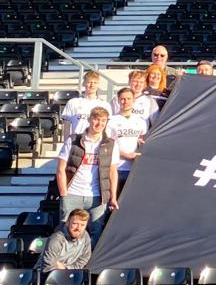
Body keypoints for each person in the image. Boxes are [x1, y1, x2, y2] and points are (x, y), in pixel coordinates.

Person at [55, 106, 120, 239]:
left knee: (97, 231)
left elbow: (113, 172)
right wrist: (64, 194)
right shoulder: (73, 140)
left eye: (103, 121)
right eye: (96, 119)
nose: (99, 124)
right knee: (66, 231)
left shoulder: (111, 144)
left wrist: (113, 197)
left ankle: (87, 260)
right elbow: (61, 168)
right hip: (73, 193)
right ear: (90, 120)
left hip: (98, 196)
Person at [105, 88, 147, 193]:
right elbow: (106, 146)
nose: (126, 102)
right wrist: (125, 155)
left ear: (134, 100)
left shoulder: (141, 121)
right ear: (118, 101)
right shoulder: (111, 121)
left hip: (134, 169)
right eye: (123, 99)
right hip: (115, 168)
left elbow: (144, 140)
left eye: (129, 99)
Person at [61, 70, 106, 136]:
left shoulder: (104, 105)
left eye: (95, 82)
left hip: (96, 143)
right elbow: (67, 125)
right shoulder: (73, 103)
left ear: (98, 84)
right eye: (89, 82)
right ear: (84, 83)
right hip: (77, 142)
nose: (92, 85)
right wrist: (66, 143)